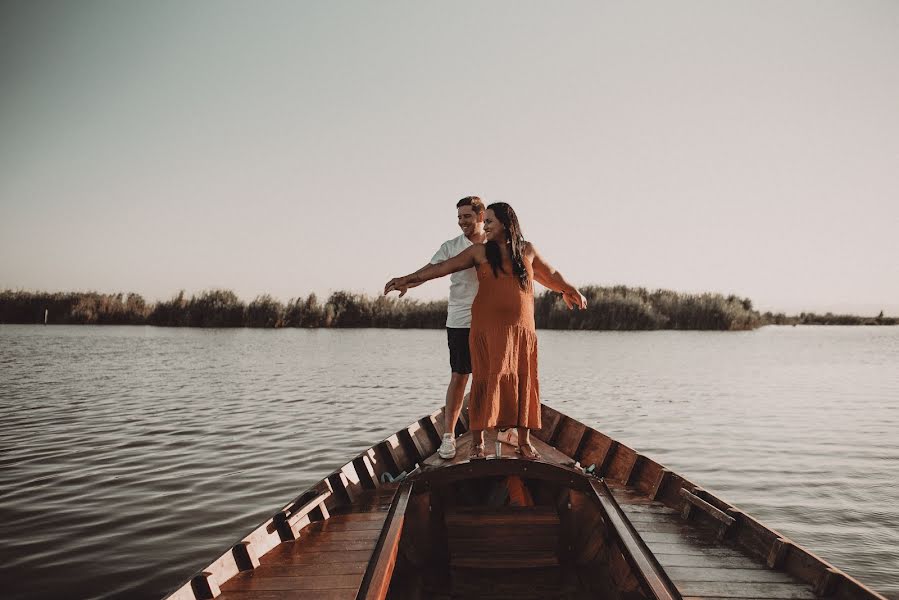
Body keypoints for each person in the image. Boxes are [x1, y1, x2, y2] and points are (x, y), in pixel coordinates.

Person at [385, 202, 586, 459]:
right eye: (486, 221)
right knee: (482, 380)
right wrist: (406, 280)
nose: (486, 226)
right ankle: (478, 443)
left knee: (523, 378)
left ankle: (523, 441)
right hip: (485, 327)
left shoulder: (527, 250)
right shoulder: (479, 252)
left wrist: (569, 290)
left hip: (521, 329)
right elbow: (440, 268)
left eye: (490, 221)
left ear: (505, 222)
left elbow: (551, 274)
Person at [398, 196, 486, 459]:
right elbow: (432, 270)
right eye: (459, 217)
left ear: (481, 216)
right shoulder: (451, 246)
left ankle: (480, 437)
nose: (462, 222)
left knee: (485, 380)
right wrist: (407, 282)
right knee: (460, 376)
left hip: (489, 321)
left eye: (467, 217)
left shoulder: (494, 245)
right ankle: (448, 437)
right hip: (460, 320)